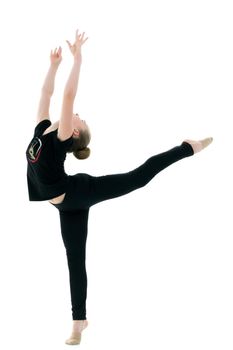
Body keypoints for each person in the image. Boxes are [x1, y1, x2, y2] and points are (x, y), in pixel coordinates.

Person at [25, 29, 213, 345]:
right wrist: (54, 66)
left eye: (79, 121)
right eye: (78, 118)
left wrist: (78, 58)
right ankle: (79, 322)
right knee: (75, 260)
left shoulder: (60, 140)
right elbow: (46, 96)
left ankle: (187, 147)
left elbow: (68, 97)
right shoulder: (43, 130)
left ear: (74, 135)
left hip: (76, 193)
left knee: (136, 178)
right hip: (63, 203)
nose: (77, 116)